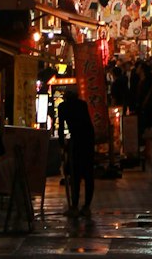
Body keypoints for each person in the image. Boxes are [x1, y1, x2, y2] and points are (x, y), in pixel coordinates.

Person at [58, 85, 96, 218]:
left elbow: (61, 127)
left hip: (76, 141)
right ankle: (86, 206)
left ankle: (74, 206)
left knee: (75, 174)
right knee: (88, 174)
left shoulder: (63, 107)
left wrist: (62, 145)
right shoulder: (82, 105)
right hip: (88, 140)